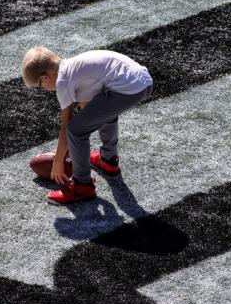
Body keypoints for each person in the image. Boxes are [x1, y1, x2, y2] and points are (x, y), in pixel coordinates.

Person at [21, 47, 153, 204]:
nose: (45, 90)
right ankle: (108, 160)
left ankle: (82, 186)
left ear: (45, 78)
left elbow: (67, 125)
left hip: (130, 88)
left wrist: (58, 161)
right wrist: (70, 149)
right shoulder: (73, 67)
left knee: (75, 130)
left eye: (40, 86)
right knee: (104, 111)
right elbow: (89, 109)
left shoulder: (63, 81)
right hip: (143, 82)